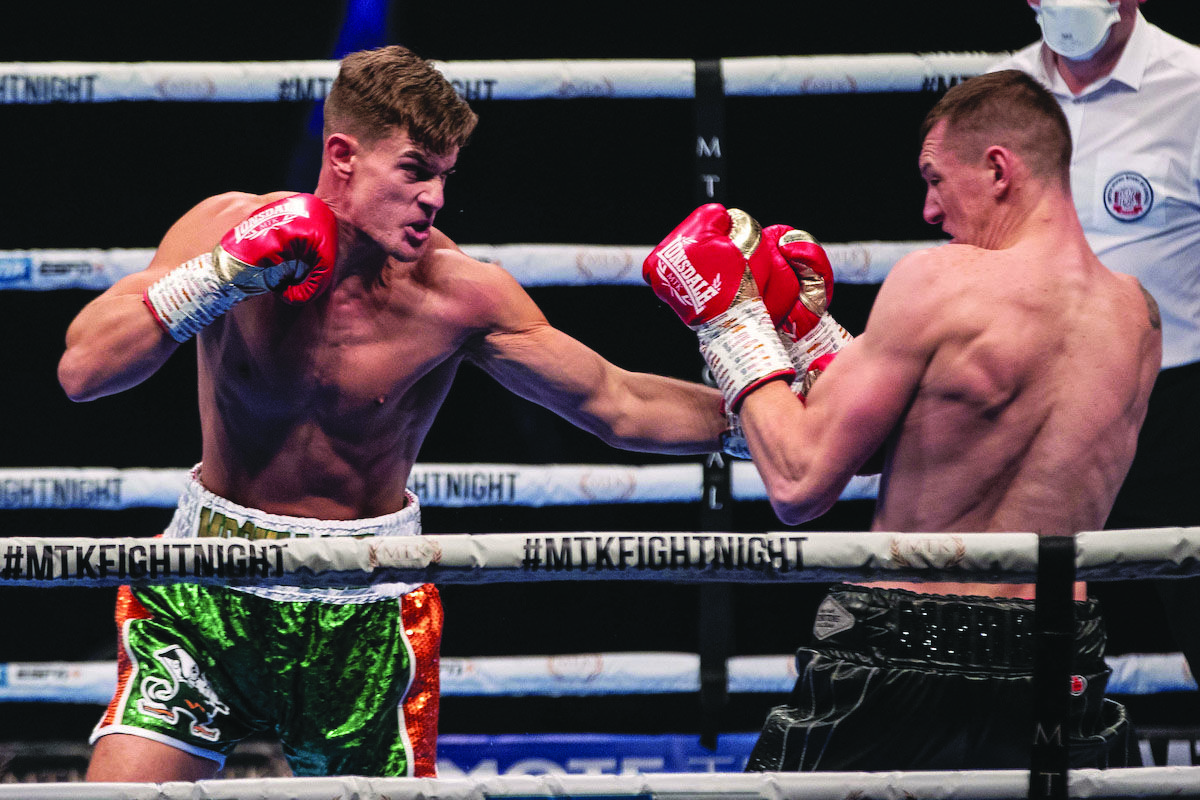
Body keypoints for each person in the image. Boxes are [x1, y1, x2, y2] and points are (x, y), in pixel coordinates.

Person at [58, 44, 729, 781]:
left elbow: (619, 403)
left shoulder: (457, 294)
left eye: (445, 176)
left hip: (364, 603)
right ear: (342, 155)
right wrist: (218, 278)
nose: (435, 199)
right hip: (206, 586)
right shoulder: (225, 231)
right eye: (414, 170)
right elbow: (84, 371)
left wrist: (778, 419)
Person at [643, 69, 1161, 770]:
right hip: (1059, 650)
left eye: (935, 179)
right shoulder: (1138, 318)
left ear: (998, 169)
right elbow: (943, 430)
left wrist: (732, 320)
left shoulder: (938, 281)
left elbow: (800, 481)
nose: (928, 210)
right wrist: (806, 333)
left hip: (907, 643)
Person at [992, 0, 1200, 699]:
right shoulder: (1001, 91)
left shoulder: (1193, 87)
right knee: (1012, 630)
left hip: (1176, 408)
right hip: (1033, 409)